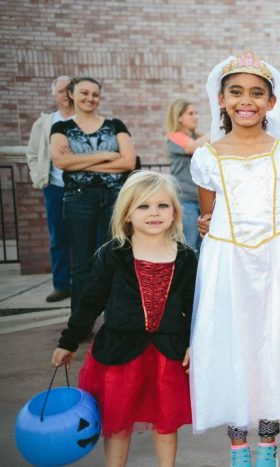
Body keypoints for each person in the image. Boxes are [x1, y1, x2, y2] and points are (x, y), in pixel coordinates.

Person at [188, 51, 280, 467]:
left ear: (271, 102)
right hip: (227, 263)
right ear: (221, 99)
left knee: (270, 344)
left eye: (258, 93)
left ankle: (268, 445)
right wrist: (211, 226)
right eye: (236, 92)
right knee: (231, 344)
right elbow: (209, 214)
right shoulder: (207, 158)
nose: (247, 100)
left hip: (275, 260)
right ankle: (238, 447)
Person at [51, 171, 196, 467]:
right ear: (128, 213)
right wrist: (69, 341)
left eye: (162, 206)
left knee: (165, 423)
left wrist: (194, 343)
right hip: (119, 353)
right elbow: (90, 301)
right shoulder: (112, 255)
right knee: (117, 424)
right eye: (143, 206)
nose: (153, 213)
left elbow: (195, 307)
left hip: (168, 354)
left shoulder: (186, 257)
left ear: (174, 213)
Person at [50, 77, 137, 318]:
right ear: (71, 94)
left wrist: (80, 163)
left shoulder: (115, 124)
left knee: (114, 257)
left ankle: (115, 318)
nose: (90, 98)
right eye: (84, 93)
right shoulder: (61, 128)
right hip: (78, 200)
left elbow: (128, 162)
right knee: (81, 265)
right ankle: (81, 321)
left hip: (113, 198)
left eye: (95, 94)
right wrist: (107, 155)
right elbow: (61, 162)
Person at [26, 75, 73, 303]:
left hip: (82, 189)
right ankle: (62, 285)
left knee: (87, 238)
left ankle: (87, 284)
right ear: (54, 95)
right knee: (58, 238)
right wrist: (39, 178)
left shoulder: (83, 119)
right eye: (61, 90)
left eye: (70, 90)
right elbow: (32, 153)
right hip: (54, 188)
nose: (66, 94)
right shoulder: (45, 122)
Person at [164, 98, 210, 250]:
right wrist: (216, 127)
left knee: (204, 246)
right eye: (190, 113)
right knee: (188, 246)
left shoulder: (199, 137)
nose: (195, 116)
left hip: (203, 200)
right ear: (179, 117)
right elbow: (192, 147)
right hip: (185, 201)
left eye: (196, 113)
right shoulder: (174, 137)